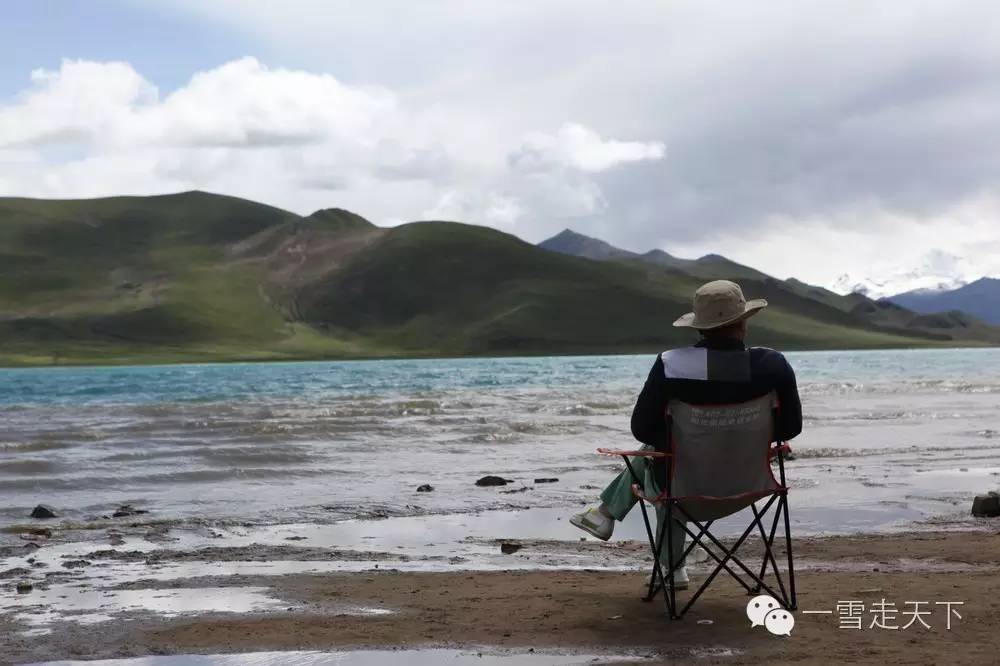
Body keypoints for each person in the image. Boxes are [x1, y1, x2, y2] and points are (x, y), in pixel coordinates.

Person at [570, 279, 803, 588]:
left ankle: (655, 553)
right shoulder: (773, 365)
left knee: (662, 457)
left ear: (700, 328)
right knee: (670, 459)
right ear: (744, 323)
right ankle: (614, 521)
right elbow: (790, 428)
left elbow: (642, 429)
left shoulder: (672, 365)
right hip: (749, 485)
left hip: (683, 490)